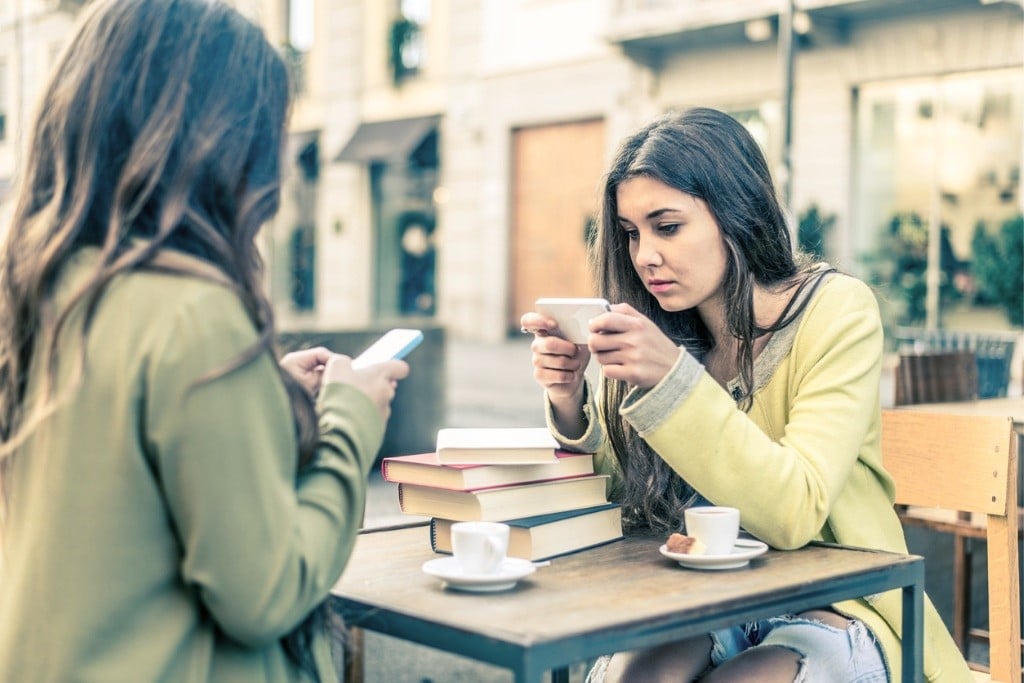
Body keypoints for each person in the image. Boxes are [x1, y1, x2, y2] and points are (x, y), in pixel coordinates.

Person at [0, 1, 408, 681]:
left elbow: (114, 465)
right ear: (225, 141)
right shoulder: (195, 315)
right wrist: (349, 418)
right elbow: (267, 590)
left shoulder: (44, 289)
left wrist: (258, 391)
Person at [521, 108, 970, 682]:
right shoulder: (666, 331)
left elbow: (793, 511)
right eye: (632, 233)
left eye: (668, 226)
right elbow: (623, 502)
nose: (644, 255)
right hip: (702, 600)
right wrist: (567, 398)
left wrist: (673, 381)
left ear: (735, 213)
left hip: (833, 601)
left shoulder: (836, 310)